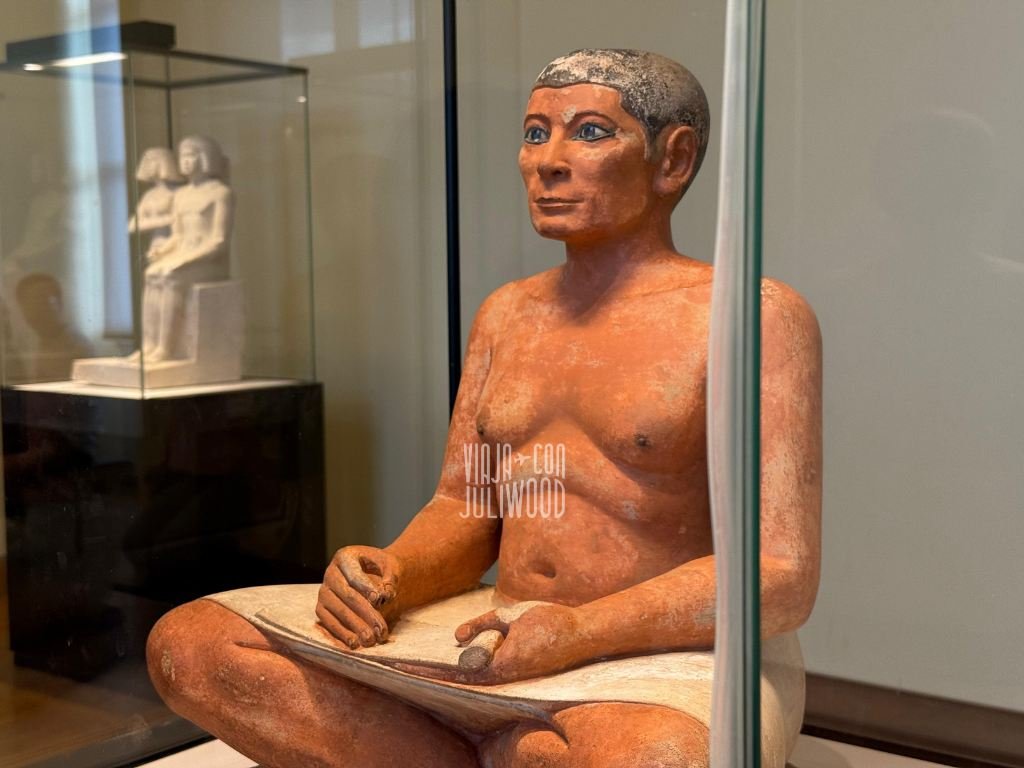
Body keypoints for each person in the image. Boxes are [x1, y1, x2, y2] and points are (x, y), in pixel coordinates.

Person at [147, 49, 821, 768]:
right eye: (534, 134)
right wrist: (393, 573)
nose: (547, 162)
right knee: (191, 645)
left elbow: (779, 574)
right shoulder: (507, 315)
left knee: (655, 760)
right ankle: (500, 752)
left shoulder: (751, 315)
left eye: (590, 133)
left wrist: (583, 631)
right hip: (493, 637)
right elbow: (465, 509)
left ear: (673, 160)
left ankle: (472, 750)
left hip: (650, 656)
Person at [140, 136, 232, 362]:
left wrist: (183, 260)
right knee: (151, 274)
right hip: (182, 253)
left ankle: (165, 347)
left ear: (205, 158)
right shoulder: (181, 195)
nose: (186, 161)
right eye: (182, 156)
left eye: (191, 155)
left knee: (170, 276)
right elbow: (178, 235)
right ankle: (149, 344)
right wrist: (163, 251)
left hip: (208, 260)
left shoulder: (220, 193)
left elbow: (218, 241)